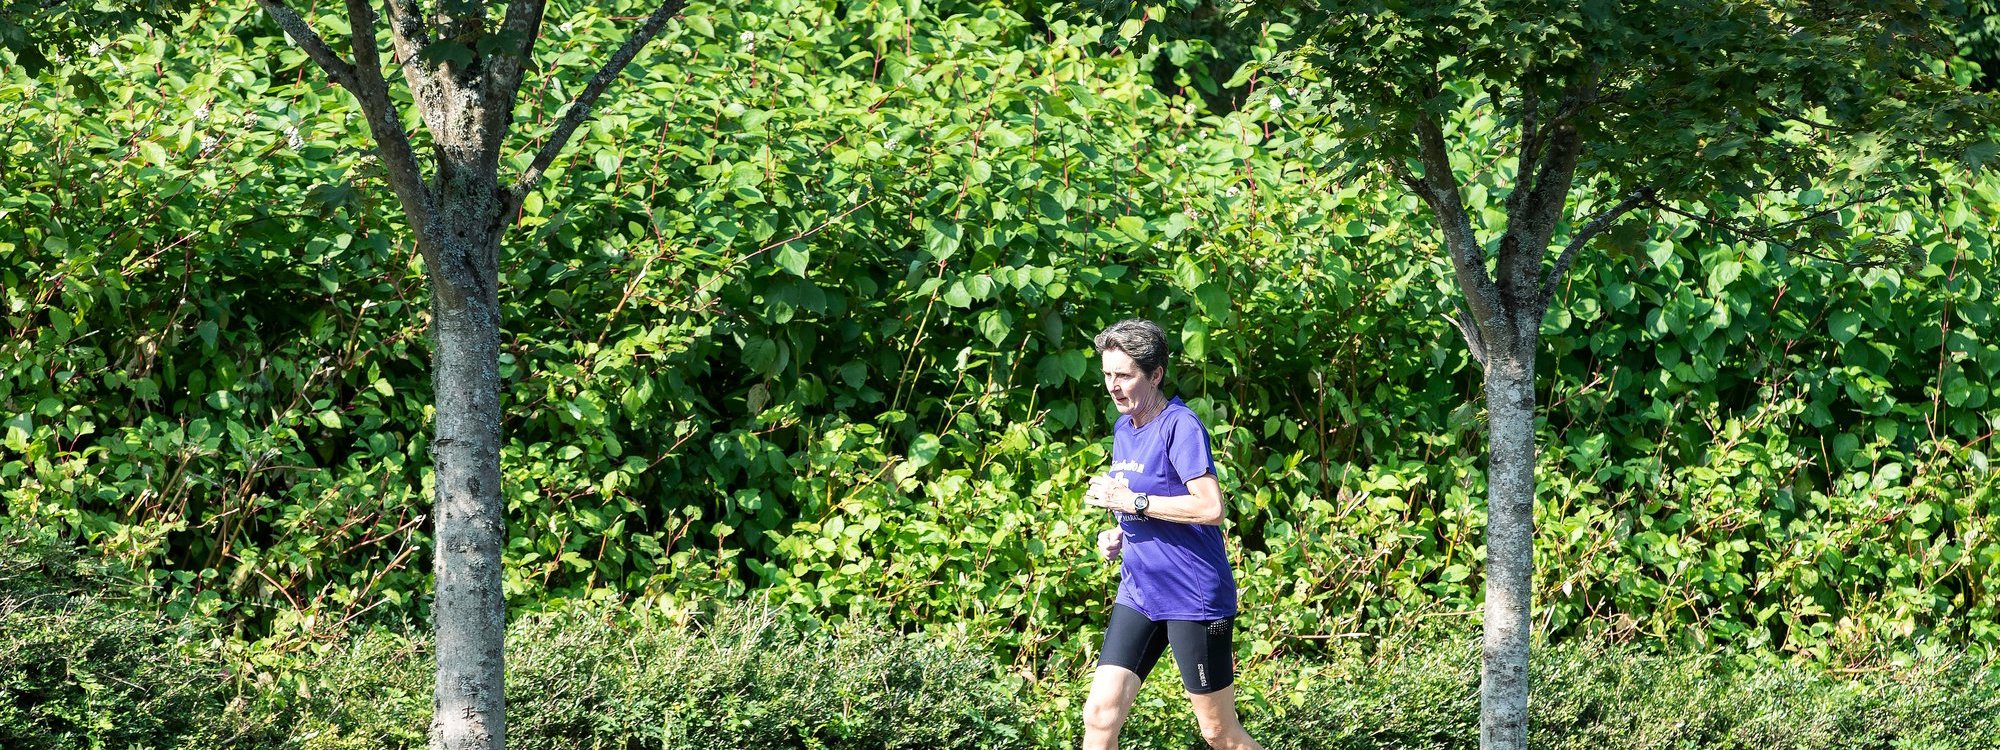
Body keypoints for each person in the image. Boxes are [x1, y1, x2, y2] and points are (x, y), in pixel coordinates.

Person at [1080, 318, 1264, 750]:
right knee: (1100, 714)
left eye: (1124, 375)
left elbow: (1209, 507)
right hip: (1140, 590)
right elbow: (1146, 502)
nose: (1113, 386)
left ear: (1156, 374)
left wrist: (1132, 504)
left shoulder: (1180, 426)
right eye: (1107, 375)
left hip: (1192, 596)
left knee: (1218, 732)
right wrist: (1119, 534)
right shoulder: (1124, 429)